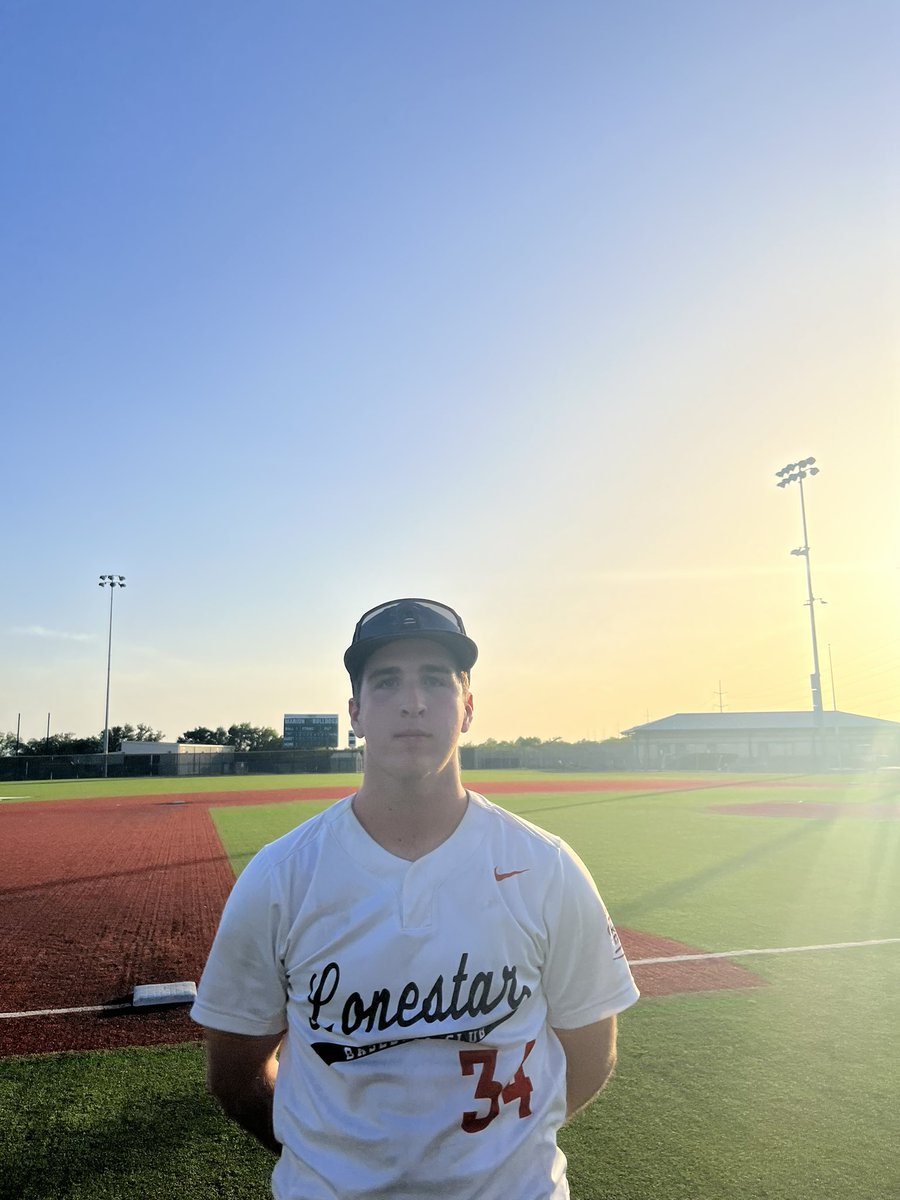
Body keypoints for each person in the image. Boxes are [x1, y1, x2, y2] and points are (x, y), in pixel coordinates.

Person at [191, 597, 639, 1200]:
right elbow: (236, 1075)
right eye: (386, 682)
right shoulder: (280, 877)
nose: (412, 701)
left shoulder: (547, 867)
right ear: (356, 711)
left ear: (468, 706)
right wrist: (326, 1159)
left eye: (435, 679)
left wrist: (505, 1158)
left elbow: (592, 1053)